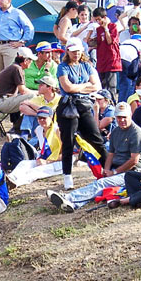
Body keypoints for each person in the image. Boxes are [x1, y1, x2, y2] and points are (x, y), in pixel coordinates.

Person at [46, 102, 141, 212]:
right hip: (117, 168)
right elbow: (111, 154)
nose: (122, 120)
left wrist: (114, 172)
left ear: (130, 115)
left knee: (101, 183)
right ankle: (74, 205)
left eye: (124, 117)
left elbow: (134, 160)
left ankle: (69, 197)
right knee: (100, 185)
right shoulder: (116, 131)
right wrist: (107, 169)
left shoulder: (136, 133)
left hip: (133, 173)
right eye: (119, 117)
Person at [55, 37, 108, 189]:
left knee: (95, 138)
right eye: (73, 51)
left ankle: (109, 167)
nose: (76, 54)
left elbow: (96, 85)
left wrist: (79, 86)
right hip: (68, 106)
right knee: (68, 141)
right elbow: (68, 88)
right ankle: (67, 175)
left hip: (84, 105)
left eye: (78, 51)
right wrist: (86, 86)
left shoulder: (87, 65)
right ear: (68, 52)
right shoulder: (63, 67)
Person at [6, 106, 63, 187]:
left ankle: (15, 183)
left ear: (51, 117)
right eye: (39, 118)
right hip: (44, 159)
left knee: (34, 171)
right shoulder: (39, 130)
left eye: (44, 118)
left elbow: (66, 155)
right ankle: (10, 178)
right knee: (23, 164)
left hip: (59, 162)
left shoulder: (58, 130)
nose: (41, 120)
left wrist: (47, 162)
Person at [0, 0, 35, 75]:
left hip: (10, 46)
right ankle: (0, 88)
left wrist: (22, 41)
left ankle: (11, 89)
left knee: (10, 73)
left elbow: (29, 28)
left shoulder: (17, 13)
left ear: (9, 0)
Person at [0, 47, 36, 130]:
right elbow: (23, 90)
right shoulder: (17, 68)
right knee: (32, 96)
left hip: (0, 100)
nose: (32, 62)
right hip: (2, 102)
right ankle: (24, 127)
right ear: (25, 60)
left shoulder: (14, 67)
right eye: (30, 60)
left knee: (26, 98)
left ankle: (18, 126)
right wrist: (38, 92)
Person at [92, 7, 122, 99]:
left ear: (104, 17)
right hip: (101, 60)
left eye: (99, 19)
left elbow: (110, 41)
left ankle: (112, 104)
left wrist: (105, 28)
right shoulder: (98, 29)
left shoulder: (113, 27)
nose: (98, 22)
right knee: (102, 86)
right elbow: (93, 42)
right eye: (96, 20)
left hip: (111, 60)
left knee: (111, 86)